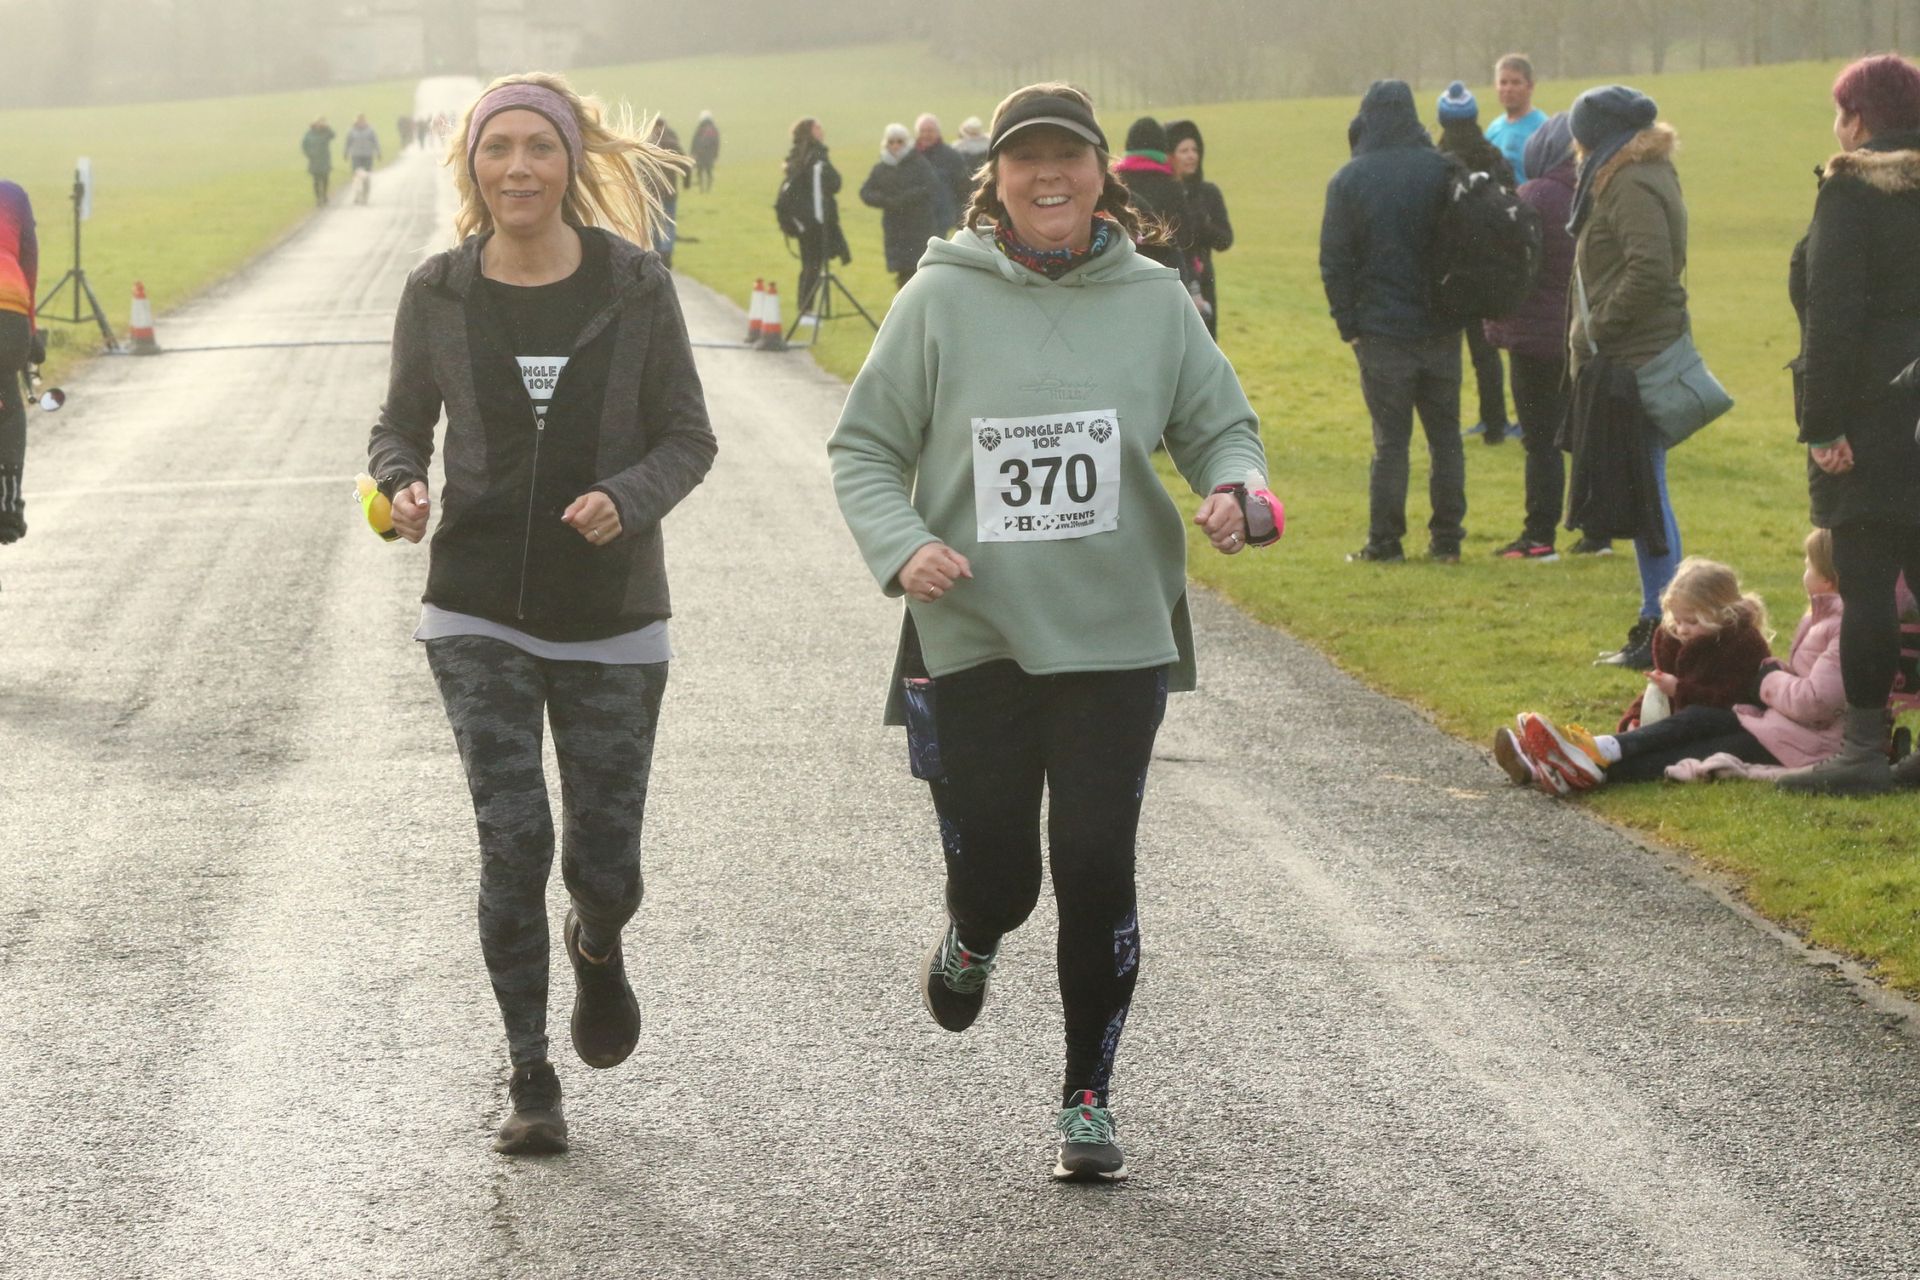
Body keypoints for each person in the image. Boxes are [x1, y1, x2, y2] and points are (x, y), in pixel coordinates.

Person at [828, 81, 1270, 1182]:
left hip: (1116, 633)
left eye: (1068, 156)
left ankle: (1087, 1098)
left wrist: (1237, 489)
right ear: (999, 180)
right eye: (1027, 160)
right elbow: (865, 448)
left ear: (1100, 173)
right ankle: (973, 930)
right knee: (1005, 878)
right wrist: (903, 545)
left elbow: (1222, 426)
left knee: (1095, 861)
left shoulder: (1157, 298)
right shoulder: (939, 295)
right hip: (973, 630)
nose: (1049, 177)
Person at [366, 72, 714, 1156]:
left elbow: (688, 436)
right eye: (497, 147)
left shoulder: (637, 285)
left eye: (539, 147)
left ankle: (598, 941)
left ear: (570, 162)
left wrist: (629, 497)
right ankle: (529, 1072)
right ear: (472, 165)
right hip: (476, 608)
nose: (517, 166)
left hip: (614, 613)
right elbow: (397, 427)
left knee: (604, 864)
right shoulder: (437, 291)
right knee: (514, 836)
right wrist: (402, 483)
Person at [1774, 54, 1920, 795]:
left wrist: (1824, 424)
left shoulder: (1852, 191)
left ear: (1858, 120)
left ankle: (1862, 750)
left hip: (1870, 416)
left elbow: (1832, 319)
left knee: (1865, 584)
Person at [1500, 537, 1844, 792]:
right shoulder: (1819, 618)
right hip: (1772, 726)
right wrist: (1634, 719)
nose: (1682, 628)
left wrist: (1768, 678)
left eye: (1808, 565)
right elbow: (1657, 688)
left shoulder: (1833, 627)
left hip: (1785, 737)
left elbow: (1812, 700)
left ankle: (1576, 758)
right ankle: (1559, 758)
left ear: (1828, 578)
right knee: (1680, 733)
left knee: (1682, 744)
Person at [1565, 85, 1691, 670]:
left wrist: (1598, 328)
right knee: (1647, 494)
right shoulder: (1630, 173)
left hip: (1633, 359)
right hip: (1629, 354)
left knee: (1648, 498)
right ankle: (1663, 621)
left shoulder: (1630, 181)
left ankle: (1663, 628)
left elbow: (1651, 268)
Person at [1320, 79, 1465, 564]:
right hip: (1442, 326)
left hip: (1381, 330)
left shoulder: (1349, 179)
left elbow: (1335, 260)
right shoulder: (1443, 169)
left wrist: (1348, 324)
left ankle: (1385, 542)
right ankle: (1447, 539)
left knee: (1391, 443)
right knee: (1446, 439)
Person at [1483, 112, 1612, 560]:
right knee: (1586, 435)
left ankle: (1539, 535)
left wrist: (1494, 323)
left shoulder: (1534, 195)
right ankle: (1598, 532)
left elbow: (1511, 265)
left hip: (1536, 339)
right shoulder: (1594, 192)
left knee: (1540, 441)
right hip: (1587, 336)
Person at [1435, 81, 1515, 445]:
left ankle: (1446, 427)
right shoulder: (1493, 157)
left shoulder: (1436, 161)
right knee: (1486, 353)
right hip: (1489, 270)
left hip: (1449, 272)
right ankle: (1494, 424)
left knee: (1448, 355)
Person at [1165, 119, 1233, 340]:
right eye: (1184, 150)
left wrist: (1202, 225)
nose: (1191, 156)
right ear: (1170, 155)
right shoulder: (1162, 193)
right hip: (1171, 280)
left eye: (1195, 150)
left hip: (1204, 282)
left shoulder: (1208, 193)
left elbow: (1225, 240)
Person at [777, 117, 850, 319]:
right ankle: (806, 311)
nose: (821, 130)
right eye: (817, 127)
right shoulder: (815, 155)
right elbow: (834, 183)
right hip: (814, 221)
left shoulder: (799, 155)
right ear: (809, 131)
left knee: (809, 265)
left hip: (804, 221)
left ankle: (805, 309)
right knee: (812, 266)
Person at [0, 181, 38, 544]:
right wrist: (33, 330)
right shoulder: (12, 195)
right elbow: (29, 264)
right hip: (9, 305)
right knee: (8, 403)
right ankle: (8, 508)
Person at [860, 123, 939, 289]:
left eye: (899, 141)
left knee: (919, 270)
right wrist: (885, 200)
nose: (895, 145)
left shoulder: (919, 163)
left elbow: (930, 186)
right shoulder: (881, 167)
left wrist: (905, 198)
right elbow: (865, 192)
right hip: (894, 228)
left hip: (918, 226)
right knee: (902, 273)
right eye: (891, 142)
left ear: (906, 142)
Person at [1485, 54, 1550, 183]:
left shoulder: (1543, 129)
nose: (1508, 89)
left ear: (1530, 86)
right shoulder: (1493, 129)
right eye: (1503, 83)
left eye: (1515, 82)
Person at [914, 113, 971, 233]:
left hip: (942, 219)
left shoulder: (952, 156)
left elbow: (962, 189)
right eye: (923, 131)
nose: (926, 134)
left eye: (930, 131)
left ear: (938, 132)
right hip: (913, 220)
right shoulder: (910, 156)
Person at [645, 117, 684, 267]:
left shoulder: (648, 143)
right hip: (669, 192)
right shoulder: (672, 142)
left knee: (654, 224)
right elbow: (684, 162)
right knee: (668, 223)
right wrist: (686, 181)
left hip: (653, 193)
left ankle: (656, 255)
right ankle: (666, 254)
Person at [344, 114, 382, 205]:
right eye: (359, 120)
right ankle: (357, 195)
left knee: (366, 177)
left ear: (365, 121)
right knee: (357, 177)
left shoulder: (370, 130)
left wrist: (378, 152)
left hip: (367, 156)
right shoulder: (351, 131)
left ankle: (365, 196)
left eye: (362, 120)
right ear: (356, 121)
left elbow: (375, 141)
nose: (361, 122)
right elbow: (348, 142)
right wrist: (345, 152)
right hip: (356, 156)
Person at [301, 117, 335, 206]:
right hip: (314, 160)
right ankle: (318, 198)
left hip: (324, 159)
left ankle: (324, 195)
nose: (318, 125)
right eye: (317, 123)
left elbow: (333, 135)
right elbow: (304, 145)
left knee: (325, 179)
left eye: (320, 123)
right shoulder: (309, 133)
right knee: (316, 180)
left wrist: (327, 127)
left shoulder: (326, 132)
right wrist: (309, 154)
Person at [690, 111, 720, 192]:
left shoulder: (700, 128)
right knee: (708, 171)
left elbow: (694, 141)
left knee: (700, 171)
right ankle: (708, 188)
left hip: (700, 154)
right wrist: (716, 154)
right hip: (709, 154)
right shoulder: (713, 129)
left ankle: (701, 189)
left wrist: (693, 152)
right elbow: (716, 143)